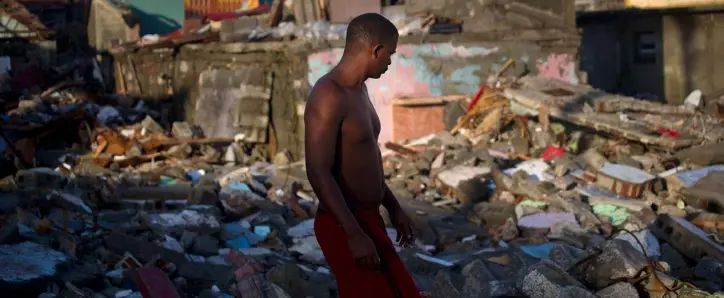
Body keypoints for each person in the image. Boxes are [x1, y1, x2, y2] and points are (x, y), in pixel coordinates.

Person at [304, 13, 421, 298]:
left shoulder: (361, 90)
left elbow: (366, 159)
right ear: (376, 50)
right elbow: (318, 172)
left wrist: (393, 207)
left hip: (369, 218)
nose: (390, 62)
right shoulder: (328, 95)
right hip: (343, 224)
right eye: (390, 55)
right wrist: (354, 234)